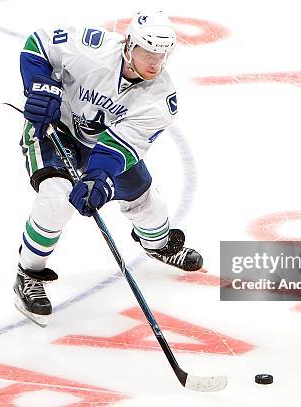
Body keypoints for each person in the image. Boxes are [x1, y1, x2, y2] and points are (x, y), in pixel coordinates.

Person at [14, 10, 203, 327]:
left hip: (104, 147)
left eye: (162, 54)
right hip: (54, 131)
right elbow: (38, 45)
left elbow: (121, 147)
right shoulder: (91, 49)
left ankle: (158, 246)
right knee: (57, 198)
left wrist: (97, 178)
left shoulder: (160, 99)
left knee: (147, 202)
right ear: (129, 44)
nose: (155, 63)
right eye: (147, 52)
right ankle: (29, 273)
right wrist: (41, 87)